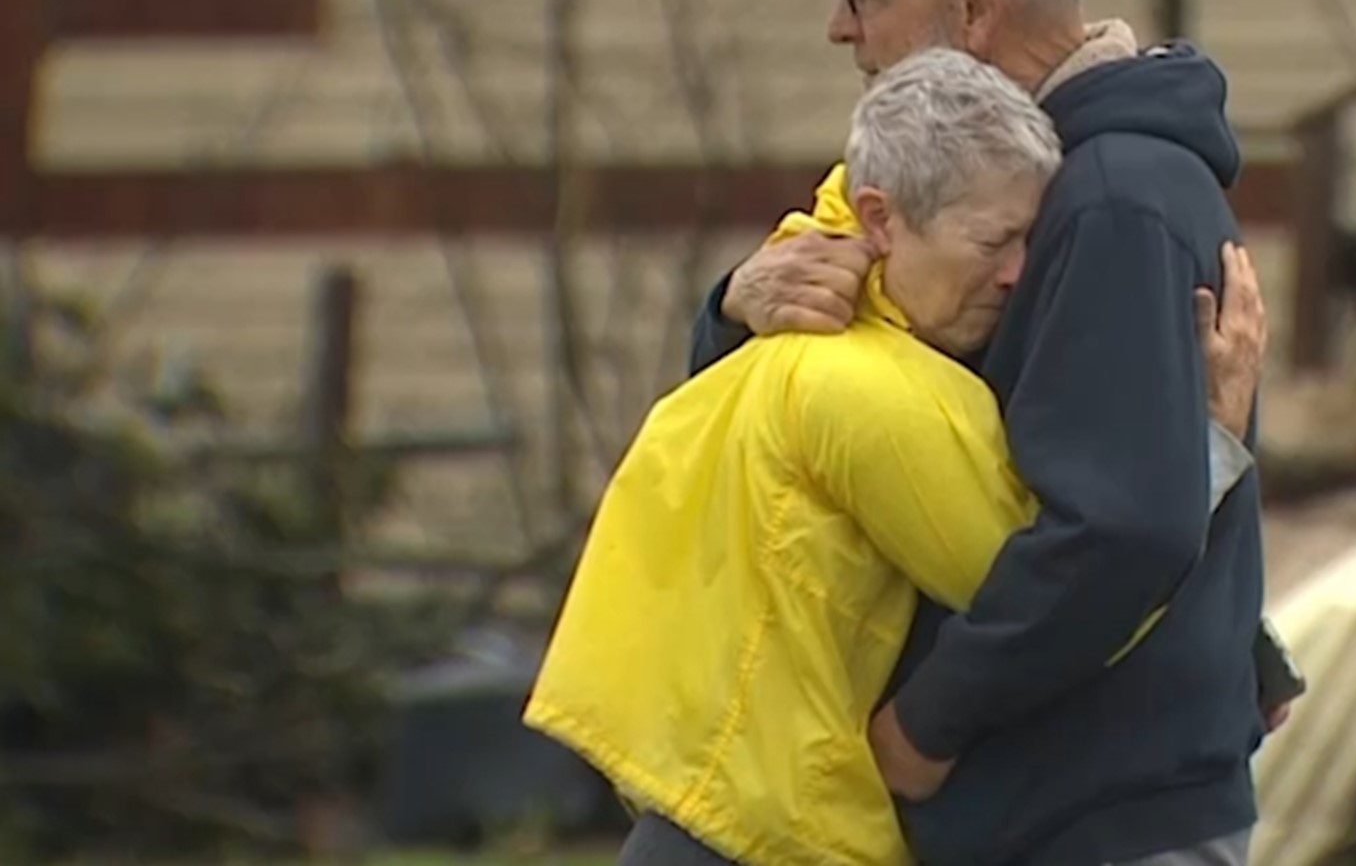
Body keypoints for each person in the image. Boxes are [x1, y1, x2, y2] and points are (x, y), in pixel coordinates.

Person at [687, 0, 1295, 866]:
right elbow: (908, 440)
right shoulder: (994, 188)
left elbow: (1120, 529)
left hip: (1090, 818)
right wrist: (737, 308)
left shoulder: (1111, 201)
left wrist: (928, 727)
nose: (843, 32)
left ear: (968, 2)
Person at [524, 49, 1270, 866]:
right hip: (770, 832)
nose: (1022, 273)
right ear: (880, 220)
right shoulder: (870, 391)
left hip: (703, 808)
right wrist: (1201, 441)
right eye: (996, 239)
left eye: (1033, 237)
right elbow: (1083, 581)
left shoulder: (790, 339)